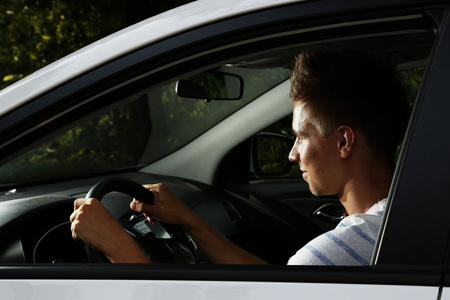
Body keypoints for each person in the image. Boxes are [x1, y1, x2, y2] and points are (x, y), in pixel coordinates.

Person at [70, 50, 409, 265]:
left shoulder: (335, 258)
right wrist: (190, 220)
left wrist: (119, 249)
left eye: (301, 136)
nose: (292, 154)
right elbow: (277, 287)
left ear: (344, 141)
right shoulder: (399, 221)